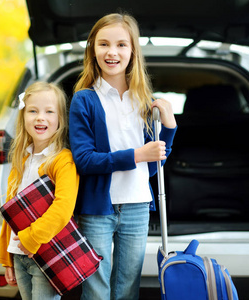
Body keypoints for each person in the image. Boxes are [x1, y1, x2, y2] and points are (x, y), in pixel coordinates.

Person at [68, 13, 177, 300]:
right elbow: (85, 160)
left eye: (121, 45)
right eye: (104, 44)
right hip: (97, 209)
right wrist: (136, 154)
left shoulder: (143, 100)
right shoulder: (84, 99)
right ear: (93, 49)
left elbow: (153, 168)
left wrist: (170, 127)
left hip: (137, 206)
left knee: (128, 288)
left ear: (133, 51)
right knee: (96, 288)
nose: (112, 52)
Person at [0, 81, 79, 300]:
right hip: (19, 253)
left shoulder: (62, 161)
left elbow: (62, 209)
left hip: (46, 252)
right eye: (32, 111)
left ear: (60, 119)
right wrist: (7, 257)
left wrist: (31, 239)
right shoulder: (21, 160)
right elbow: (11, 213)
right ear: (23, 117)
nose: (40, 117)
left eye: (49, 112)